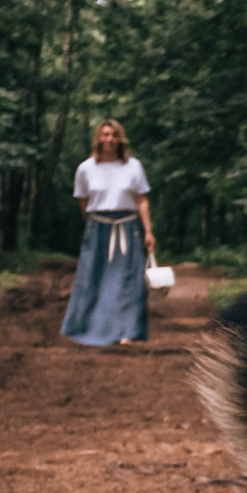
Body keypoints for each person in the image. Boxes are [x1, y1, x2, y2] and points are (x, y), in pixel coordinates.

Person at [61, 120, 156, 346]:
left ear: (120, 139)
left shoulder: (133, 166)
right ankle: (89, 327)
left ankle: (127, 331)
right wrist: (96, 226)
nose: (109, 139)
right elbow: (84, 202)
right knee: (93, 278)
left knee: (129, 281)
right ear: (98, 138)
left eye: (113, 135)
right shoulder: (86, 168)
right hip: (98, 227)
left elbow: (141, 200)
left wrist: (148, 231)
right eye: (105, 135)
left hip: (128, 227)